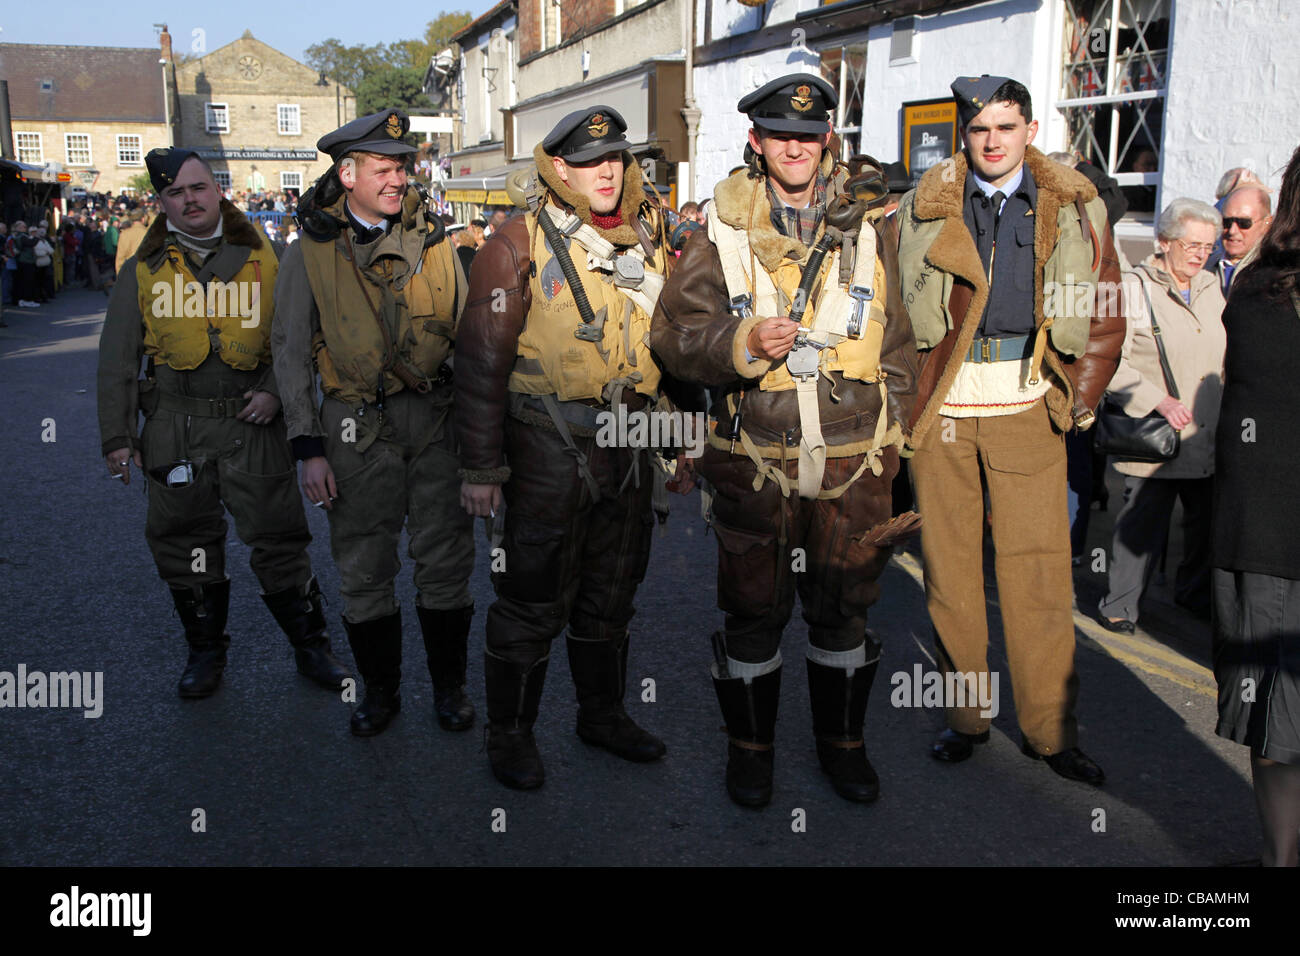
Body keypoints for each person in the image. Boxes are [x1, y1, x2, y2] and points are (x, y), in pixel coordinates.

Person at [652, 74, 920, 807]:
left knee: (845, 609)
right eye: (780, 136)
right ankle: (751, 752)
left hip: (854, 464)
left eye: (808, 136)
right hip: (755, 464)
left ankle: (844, 748)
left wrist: (892, 444)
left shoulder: (870, 228)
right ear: (756, 142)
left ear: (827, 140)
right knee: (753, 612)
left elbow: (898, 345)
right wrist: (739, 340)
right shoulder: (719, 232)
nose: (795, 148)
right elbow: (674, 338)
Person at [895, 75, 1125, 785]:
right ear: (965, 136)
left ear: (1029, 129)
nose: (992, 141)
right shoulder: (922, 207)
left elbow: (1107, 310)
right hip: (945, 411)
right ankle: (966, 717)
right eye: (979, 129)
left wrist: (1077, 400)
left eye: (1005, 126)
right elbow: (897, 321)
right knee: (952, 574)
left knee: (1040, 577)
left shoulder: (1078, 206)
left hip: (1028, 403)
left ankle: (1052, 733)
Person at [456, 105, 673, 790]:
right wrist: (482, 468)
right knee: (531, 596)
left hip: (633, 441)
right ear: (558, 168)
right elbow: (480, 362)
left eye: (614, 159)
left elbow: (670, 344)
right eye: (588, 160)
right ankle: (510, 734)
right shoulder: (514, 243)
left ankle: (600, 715)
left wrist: (680, 443)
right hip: (548, 446)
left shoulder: (650, 238)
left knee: (613, 591)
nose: (605, 172)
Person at [97, 147, 350, 699]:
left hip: (252, 424)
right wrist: (118, 439)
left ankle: (313, 649)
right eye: (175, 193)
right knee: (185, 543)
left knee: (279, 539)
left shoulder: (268, 255)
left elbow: (297, 334)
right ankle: (205, 654)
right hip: (175, 426)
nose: (188, 200)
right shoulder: (142, 267)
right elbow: (116, 356)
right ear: (161, 201)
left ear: (217, 190)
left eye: (197, 188)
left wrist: (274, 393)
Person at [272, 110, 476, 738]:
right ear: (348, 173)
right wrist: (308, 447)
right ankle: (380, 694)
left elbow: (472, 337)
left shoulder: (438, 239)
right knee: (364, 569)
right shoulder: (310, 250)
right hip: (354, 430)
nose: (398, 179)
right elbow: (288, 347)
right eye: (384, 169)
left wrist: (484, 444)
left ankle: (449, 691)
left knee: (445, 563)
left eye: (403, 167)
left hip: (438, 423)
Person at [1213, 142, 1300, 867]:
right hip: (1273, 540)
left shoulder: (1253, 287)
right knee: (1282, 723)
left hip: (1261, 539)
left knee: (1279, 727)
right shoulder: (1262, 292)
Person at [1098, 199, 1226, 630]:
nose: (1199, 254)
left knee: (1203, 529)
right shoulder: (1132, 287)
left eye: (1208, 246)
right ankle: (1120, 605)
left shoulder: (1212, 287)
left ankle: (1191, 595)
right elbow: (1109, 360)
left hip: (1205, 433)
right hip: (1158, 432)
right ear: (1164, 242)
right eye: (1191, 244)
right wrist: (1157, 400)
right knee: (1141, 527)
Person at [1206, 186, 1272, 297]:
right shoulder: (1203, 266)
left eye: (1243, 223)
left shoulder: (1275, 273)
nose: (1232, 231)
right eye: (1227, 222)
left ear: (1267, 224)